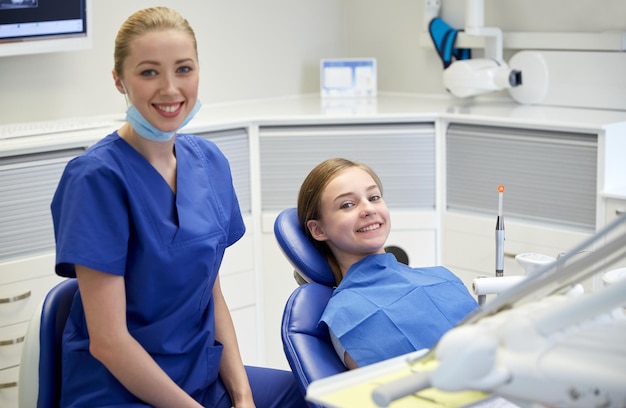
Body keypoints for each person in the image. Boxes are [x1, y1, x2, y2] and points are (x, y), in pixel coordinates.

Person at [51, 7, 305, 408]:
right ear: (119, 81)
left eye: (183, 69)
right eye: (149, 72)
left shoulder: (210, 162)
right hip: (120, 390)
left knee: (311, 395)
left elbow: (212, 295)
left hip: (200, 375)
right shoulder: (96, 179)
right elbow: (109, 343)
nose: (170, 89)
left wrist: (242, 397)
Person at [297, 158, 479, 370]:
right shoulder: (347, 316)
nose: (368, 209)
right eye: (347, 204)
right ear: (319, 230)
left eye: (374, 197)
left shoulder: (441, 277)